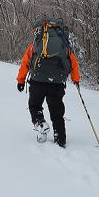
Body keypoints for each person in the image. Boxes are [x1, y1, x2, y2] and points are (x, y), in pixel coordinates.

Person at [15, 17, 81, 148]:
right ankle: (60, 139)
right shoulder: (64, 44)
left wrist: (21, 80)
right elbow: (73, 63)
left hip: (37, 81)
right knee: (57, 113)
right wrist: (76, 80)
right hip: (57, 83)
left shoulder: (37, 43)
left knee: (34, 105)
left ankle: (40, 123)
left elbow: (26, 62)